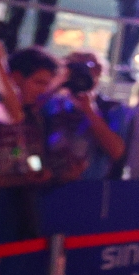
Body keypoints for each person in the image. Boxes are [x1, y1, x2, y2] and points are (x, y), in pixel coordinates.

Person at [0, 47, 60, 193]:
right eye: (39, 82)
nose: (43, 91)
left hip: (20, 203)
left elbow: (21, 153)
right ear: (16, 78)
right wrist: (21, 179)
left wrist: (40, 174)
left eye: (46, 84)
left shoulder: (35, 117)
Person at [43, 51, 130, 181]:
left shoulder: (112, 108)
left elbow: (117, 152)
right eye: (76, 68)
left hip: (91, 187)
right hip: (49, 184)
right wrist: (57, 84)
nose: (82, 75)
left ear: (99, 72)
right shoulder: (52, 103)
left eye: (89, 68)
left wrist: (89, 111)